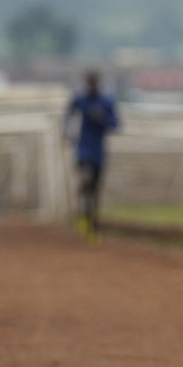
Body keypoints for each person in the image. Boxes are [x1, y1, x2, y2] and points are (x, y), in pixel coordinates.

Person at [65, 69, 119, 241]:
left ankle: (92, 223)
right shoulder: (80, 99)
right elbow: (68, 113)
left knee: (95, 189)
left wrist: (102, 118)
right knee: (85, 179)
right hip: (83, 147)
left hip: (99, 150)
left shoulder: (105, 102)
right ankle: (82, 211)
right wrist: (67, 131)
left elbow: (116, 124)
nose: (91, 87)